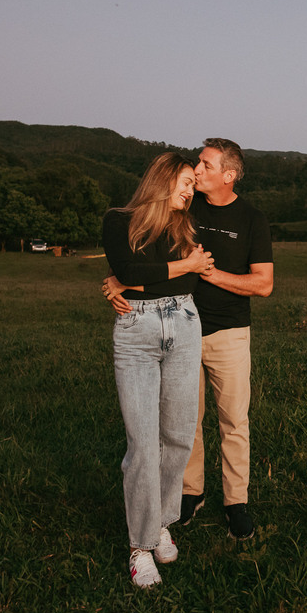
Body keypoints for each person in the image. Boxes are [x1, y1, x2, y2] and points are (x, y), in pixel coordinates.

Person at [105, 138, 273, 541]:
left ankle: (236, 503)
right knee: (185, 422)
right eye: (195, 165)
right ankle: (190, 493)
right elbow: (144, 256)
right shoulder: (184, 206)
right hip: (181, 329)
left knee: (233, 420)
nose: (196, 171)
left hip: (229, 331)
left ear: (228, 175)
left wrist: (209, 273)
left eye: (205, 165)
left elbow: (264, 284)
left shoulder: (252, 218)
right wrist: (118, 280)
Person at [101, 152, 213, 589]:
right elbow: (129, 268)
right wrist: (180, 266)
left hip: (184, 324)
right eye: (186, 181)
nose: (191, 189)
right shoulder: (118, 219)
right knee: (143, 443)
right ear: (164, 179)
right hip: (136, 330)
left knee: (179, 435)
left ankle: (162, 521)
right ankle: (140, 546)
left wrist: (127, 280)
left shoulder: (187, 225)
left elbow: (184, 283)